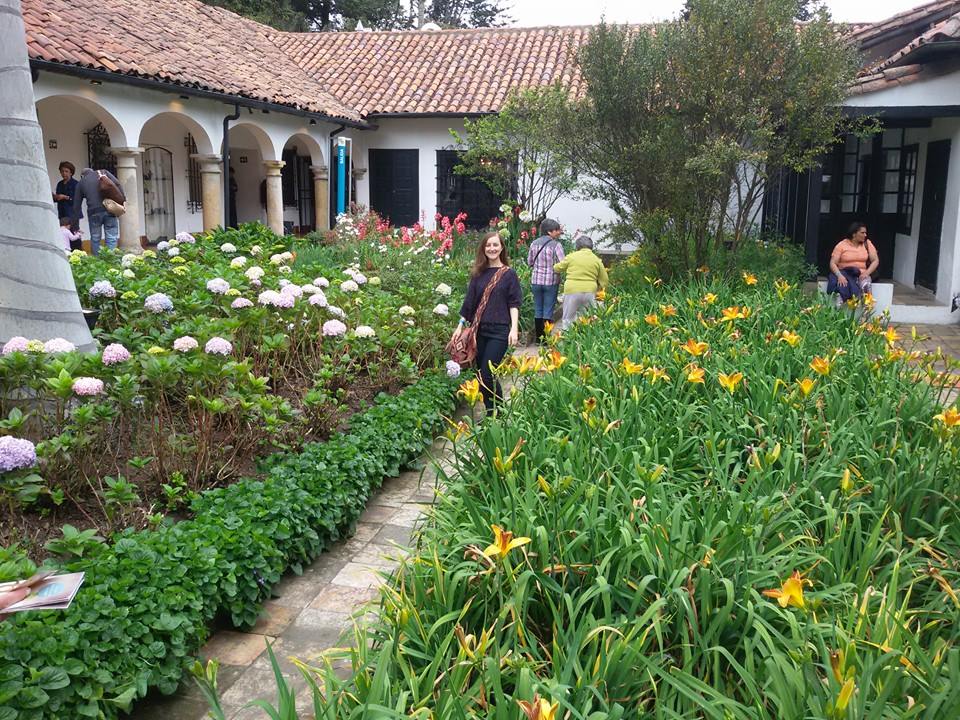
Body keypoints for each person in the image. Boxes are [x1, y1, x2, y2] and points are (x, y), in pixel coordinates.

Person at [452, 232, 522, 414]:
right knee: (482, 375)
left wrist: (514, 329)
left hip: (499, 332)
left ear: (501, 248)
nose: (492, 248)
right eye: (488, 245)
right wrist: (460, 326)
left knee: (487, 373)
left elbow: (514, 303)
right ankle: (496, 411)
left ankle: (494, 414)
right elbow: (469, 303)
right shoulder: (478, 274)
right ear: (484, 249)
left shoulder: (509, 274)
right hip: (479, 332)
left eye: (495, 245)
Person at [554, 234, 609, 330]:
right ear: (591, 247)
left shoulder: (571, 256)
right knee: (588, 318)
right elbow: (605, 280)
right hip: (589, 292)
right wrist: (600, 288)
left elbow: (558, 268)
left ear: (577, 247)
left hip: (572, 291)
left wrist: (554, 266)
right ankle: (584, 339)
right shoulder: (596, 260)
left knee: (568, 318)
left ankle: (568, 339)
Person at [527, 218, 565, 344]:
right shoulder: (556, 245)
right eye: (556, 230)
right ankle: (546, 339)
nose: (559, 232)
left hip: (536, 281)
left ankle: (538, 339)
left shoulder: (534, 243)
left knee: (538, 309)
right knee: (548, 309)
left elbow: (530, 262)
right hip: (551, 281)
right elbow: (563, 263)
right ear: (549, 231)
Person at [71, 167, 125, 255]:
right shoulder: (103, 172)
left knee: (95, 238)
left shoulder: (81, 183)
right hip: (109, 208)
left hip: (93, 212)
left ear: (82, 176)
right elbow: (117, 183)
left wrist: (75, 226)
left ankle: (97, 262)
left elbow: (76, 206)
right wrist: (123, 200)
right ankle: (111, 261)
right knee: (111, 237)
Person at [828, 221, 879, 307]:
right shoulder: (841, 245)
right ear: (854, 234)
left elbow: (875, 260)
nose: (865, 235)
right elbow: (833, 263)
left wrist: (867, 273)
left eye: (865, 233)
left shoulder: (867, 244)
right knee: (841, 288)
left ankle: (866, 315)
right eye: (862, 233)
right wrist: (839, 275)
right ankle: (838, 317)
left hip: (862, 274)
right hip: (845, 275)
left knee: (866, 286)